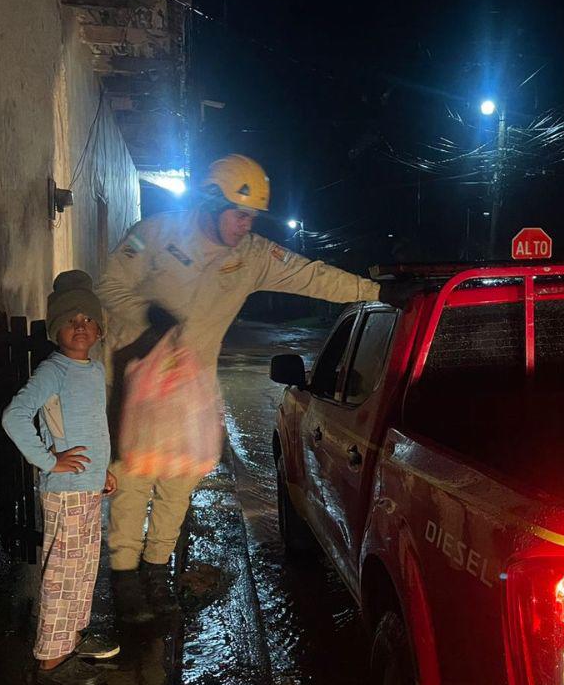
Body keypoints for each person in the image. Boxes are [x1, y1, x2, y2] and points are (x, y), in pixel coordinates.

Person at [97, 154, 383, 622]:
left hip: (192, 387)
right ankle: (125, 578)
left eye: (251, 217)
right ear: (211, 202)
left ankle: (155, 571)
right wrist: (147, 317)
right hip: (137, 379)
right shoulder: (153, 233)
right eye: (238, 213)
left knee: (180, 480)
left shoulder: (250, 257)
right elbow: (108, 285)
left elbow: (311, 275)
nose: (245, 225)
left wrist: (377, 293)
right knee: (132, 479)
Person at [1, 271, 120, 685]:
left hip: (87, 488)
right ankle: (51, 657)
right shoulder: (54, 370)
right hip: (66, 492)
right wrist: (48, 461)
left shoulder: (91, 369)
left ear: (100, 327)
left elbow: (89, 427)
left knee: (84, 569)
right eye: (71, 320)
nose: (81, 326)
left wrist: (101, 469)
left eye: (88, 319)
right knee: (62, 572)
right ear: (56, 329)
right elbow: (14, 416)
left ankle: (73, 638)